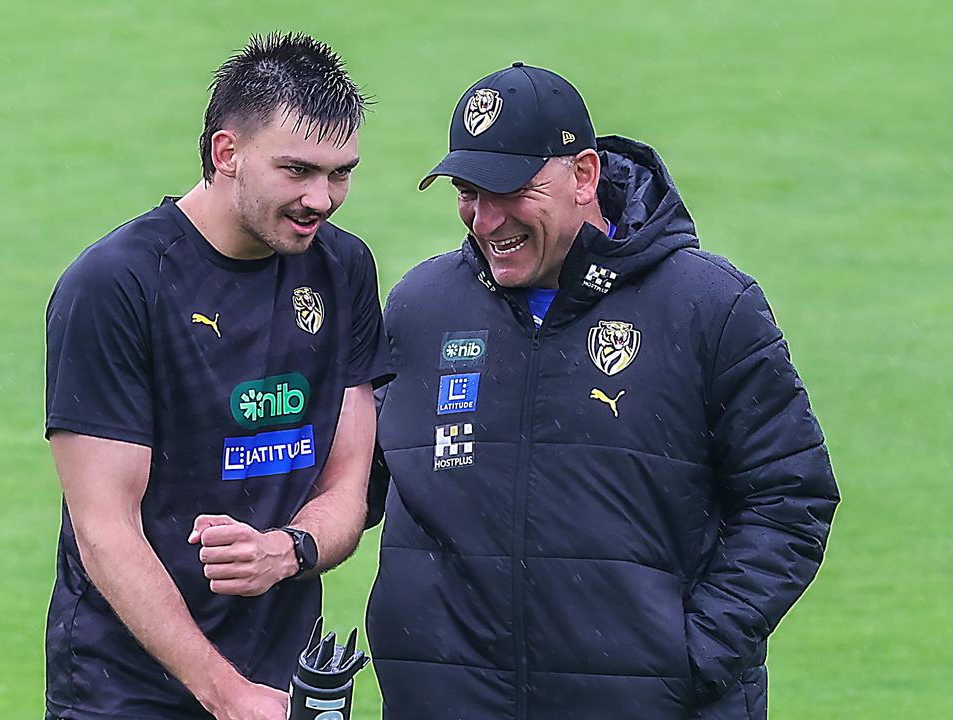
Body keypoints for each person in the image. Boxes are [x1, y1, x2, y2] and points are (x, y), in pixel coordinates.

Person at [365, 62, 839, 719]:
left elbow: (791, 498)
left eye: (511, 190)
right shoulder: (423, 306)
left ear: (584, 175)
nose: (485, 218)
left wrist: (688, 658)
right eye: (469, 190)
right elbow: (360, 474)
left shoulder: (708, 307)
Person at [43, 33, 391, 720]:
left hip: (280, 684)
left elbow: (348, 484)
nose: (322, 199)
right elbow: (104, 529)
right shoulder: (117, 285)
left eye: (340, 173)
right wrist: (224, 692)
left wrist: (287, 551)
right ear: (225, 153)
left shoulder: (343, 270)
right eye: (297, 170)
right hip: (126, 691)